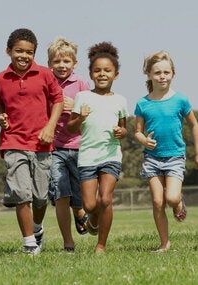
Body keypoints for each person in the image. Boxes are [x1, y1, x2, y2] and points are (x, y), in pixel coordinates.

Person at [0, 28, 63, 255]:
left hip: (42, 143)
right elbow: (0, 103)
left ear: (35, 54)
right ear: (8, 51)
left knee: (40, 197)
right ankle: (29, 244)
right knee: (21, 193)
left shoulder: (44, 74)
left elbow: (58, 100)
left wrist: (50, 127)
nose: (24, 56)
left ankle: (37, 228)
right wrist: (1, 117)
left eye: (29, 52)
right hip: (13, 142)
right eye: (19, 51)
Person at [134, 51, 198, 253]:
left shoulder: (180, 100)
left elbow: (194, 125)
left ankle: (178, 203)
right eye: (158, 72)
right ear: (149, 75)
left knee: (171, 198)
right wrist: (143, 139)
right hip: (151, 159)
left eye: (166, 72)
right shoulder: (143, 103)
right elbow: (137, 131)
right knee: (157, 201)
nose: (162, 76)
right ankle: (164, 243)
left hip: (175, 157)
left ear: (173, 74)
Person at [67, 42, 128, 253]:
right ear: (91, 74)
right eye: (97, 70)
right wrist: (81, 116)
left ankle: (101, 245)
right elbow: (71, 126)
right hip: (87, 157)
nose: (102, 74)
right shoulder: (83, 97)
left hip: (111, 155)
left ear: (116, 74)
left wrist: (122, 133)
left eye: (107, 70)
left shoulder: (120, 100)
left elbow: (123, 128)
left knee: (105, 199)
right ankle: (92, 220)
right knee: (91, 206)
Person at [47, 38, 90, 251]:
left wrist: (76, 106)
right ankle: (68, 242)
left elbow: (91, 112)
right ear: (49, 64)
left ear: (74, 63)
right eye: (57, 61)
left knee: (79, 194)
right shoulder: (46, 83)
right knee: (61, 193)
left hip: (80, 145)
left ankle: (79, 211)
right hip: (55, 148)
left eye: (66, 61)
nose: (62, 65)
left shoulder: (81, 83)